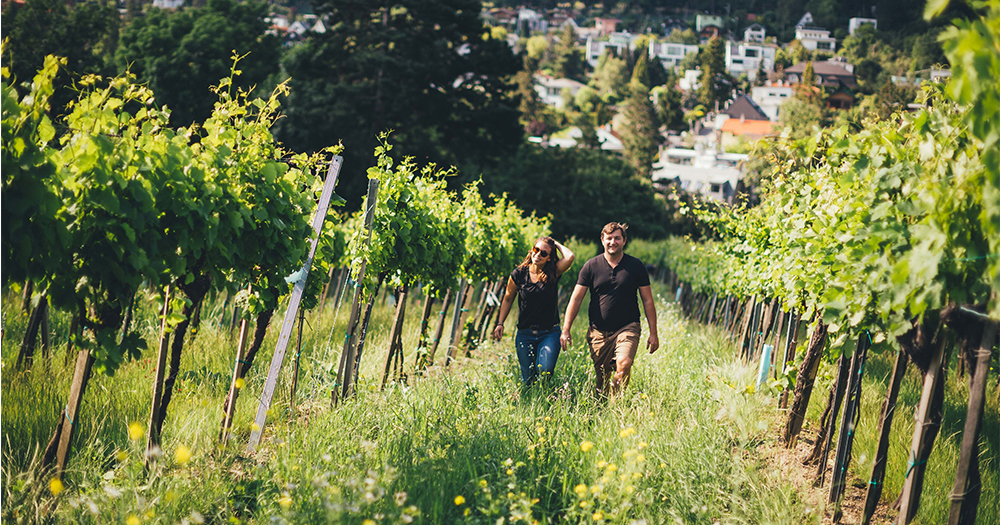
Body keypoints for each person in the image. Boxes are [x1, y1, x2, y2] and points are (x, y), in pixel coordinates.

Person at [561, 222, 659, 396]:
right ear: (602, 240)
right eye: (609, 238)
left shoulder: (636, 267)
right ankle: (604, 410)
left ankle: (617, 402)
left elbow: (648, 301)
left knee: (624, 363)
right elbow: (576, 299)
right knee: (602, 380)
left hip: (628, 327)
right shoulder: (591, 266)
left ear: (624, 241)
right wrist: (566, 329)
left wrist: (653, 333)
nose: (612, 242)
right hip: (598, 332)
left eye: (617, 238)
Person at [492, 237, 575, 385]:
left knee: (545, 370)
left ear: (549, 258)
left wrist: (554, 243)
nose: (538, 255)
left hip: (549, 332)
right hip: (525, 333)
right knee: (528, 379)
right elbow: (508, 299)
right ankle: (530, 404)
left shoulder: (553, 272)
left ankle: (544, 400)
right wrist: (500, 323)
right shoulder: (519, 274)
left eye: (543, 253)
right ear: (532, 250)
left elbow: (570, 257)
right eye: (536, 250)